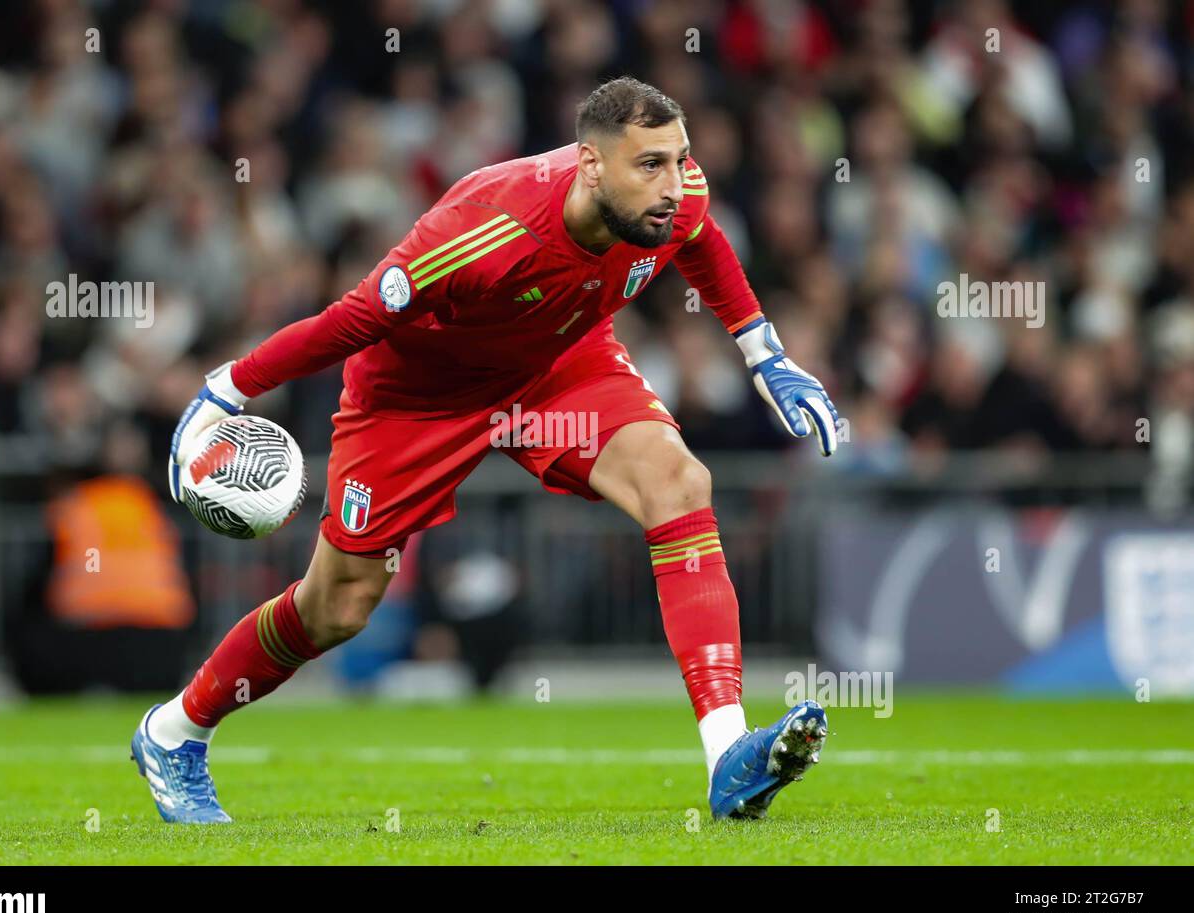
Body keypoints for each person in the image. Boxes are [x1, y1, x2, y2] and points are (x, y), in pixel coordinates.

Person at [131, 77, 834, 824]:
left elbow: (702, 240)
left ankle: (726, 753)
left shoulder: (675, 193)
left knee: (679, 481)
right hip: (417, 399)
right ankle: (175, 731)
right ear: (591, 166)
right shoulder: (483, 229)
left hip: (557, 369)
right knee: (336, 607)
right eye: (651, 166)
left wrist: (765, 355)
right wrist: (226, 391)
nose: (675, 184)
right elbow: (349, 323)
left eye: (680, 160)